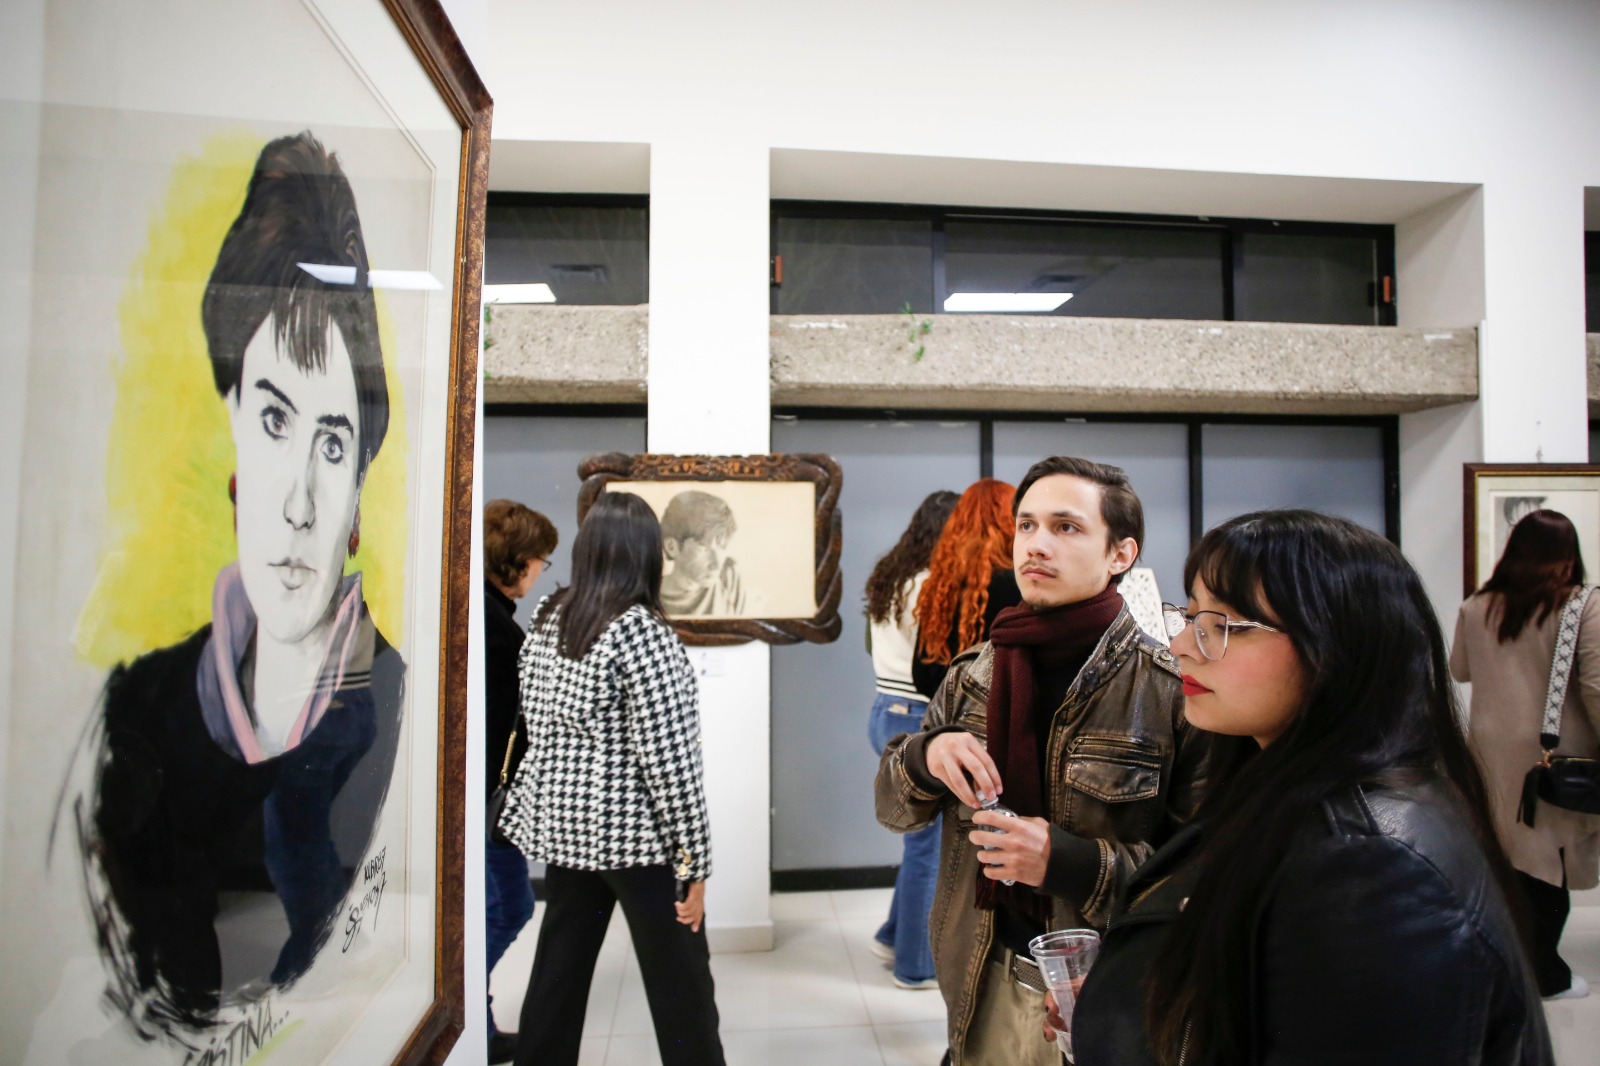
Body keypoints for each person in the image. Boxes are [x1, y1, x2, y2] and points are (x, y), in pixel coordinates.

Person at [84, 132, 405, 1029]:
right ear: (229, 416)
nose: (298, 503)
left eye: (332, 443)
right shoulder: (136, 712)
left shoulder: (400, 702)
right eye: (273, 419)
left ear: (360, 483)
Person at [1064, 510, 1553, 1066]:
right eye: (1192, 616)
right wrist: (1123, 1003)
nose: (1181, 645)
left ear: (1333, 645)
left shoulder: (1369, 861)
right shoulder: (1279, 780)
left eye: (1224, 625)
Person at [875, 456, 1229, 1066]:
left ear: (1120, 554)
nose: (1036, 545)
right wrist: (926, 756)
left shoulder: (1171, 690)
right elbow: (893, 810)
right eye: (1027, 525)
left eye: (1066, 527)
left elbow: (1206, 874)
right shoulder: (975, 673)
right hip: (981, 972)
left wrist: (1069, 863)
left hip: (1108, 982)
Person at [498, 492, 723, 1066]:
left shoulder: (551, 616)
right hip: (638, 842)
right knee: (682, 987)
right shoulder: (641, 631)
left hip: (567, 832)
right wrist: (694, 864)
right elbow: (671, 763)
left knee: (558, 974)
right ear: (646, 554)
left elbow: (537, 722)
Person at [1451, 508, 1600, 1001]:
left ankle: (1509, 966)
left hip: (1489, 753)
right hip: (1553, 757)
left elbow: (1459, 669)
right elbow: (1597, 687)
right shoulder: (1582, 606)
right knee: (1551, 866)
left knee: (1507, 861)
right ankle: (1546, 976)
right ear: (1568, 554)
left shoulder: (1476, 605)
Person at [864, 489, 959, 989]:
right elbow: (940, 660)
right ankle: (915, 965)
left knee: (918, 838)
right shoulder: (930, 585)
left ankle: (891, 936)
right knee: (928, 846)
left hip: (885, 708)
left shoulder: (893, 575)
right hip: (918, 715)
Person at [481, 499, 558, 1063]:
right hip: (486, 799)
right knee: (505, 907)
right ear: (519, 561)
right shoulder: (493, 629)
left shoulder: (491, 617)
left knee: (508, 905)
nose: (540, 572)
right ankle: (468, 1017)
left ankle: (477, 1025)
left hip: (490, 798)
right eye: (540, 561)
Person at [910, 478, 1024, 699]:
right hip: (996, 713)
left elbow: (922, 675)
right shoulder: (1018, 586)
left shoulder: (941, 584)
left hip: (949, 712)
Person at [659, 489, 745, 616]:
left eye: (722, 547)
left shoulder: (728, 576)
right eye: (704, 548)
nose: (717, 565)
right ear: (672, 547)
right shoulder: (648, 600)